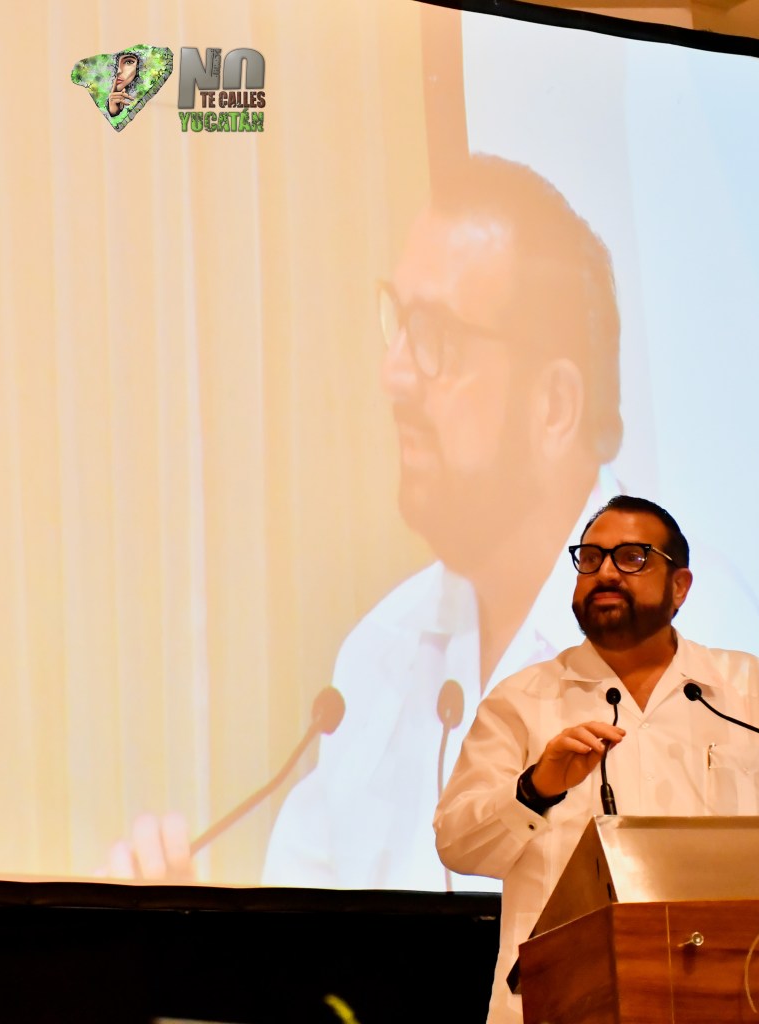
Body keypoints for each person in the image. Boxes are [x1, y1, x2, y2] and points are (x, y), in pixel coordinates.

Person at [261, 155, 625, 890]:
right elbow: (295, 939)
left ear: (554, 406)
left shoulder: (687, 657)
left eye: (437, 340)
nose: (393, 375)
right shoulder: (376, 660)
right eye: (398, 323)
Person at [433, 494, 759, 1024]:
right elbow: (457, 843)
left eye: (632, 557)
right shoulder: (521, 699)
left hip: (727, 992)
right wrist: (535, 789)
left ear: (680, 586)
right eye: (590, 558)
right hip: (566, 1002)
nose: (605, 572)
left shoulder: (746, 686)